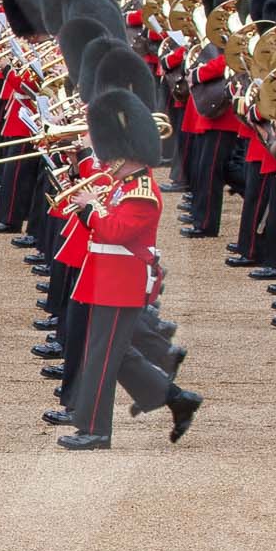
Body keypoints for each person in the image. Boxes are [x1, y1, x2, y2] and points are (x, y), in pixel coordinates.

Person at [52, 88, 200, 450]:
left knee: (102, 358)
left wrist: (90, 208)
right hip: (103, 277)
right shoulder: (122, 185)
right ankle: (177, 399)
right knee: (117, 355)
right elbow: (96, 224)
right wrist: (80, 199)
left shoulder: (142, 192)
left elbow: (116, 231)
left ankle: (95, 431)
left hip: (121, 281)